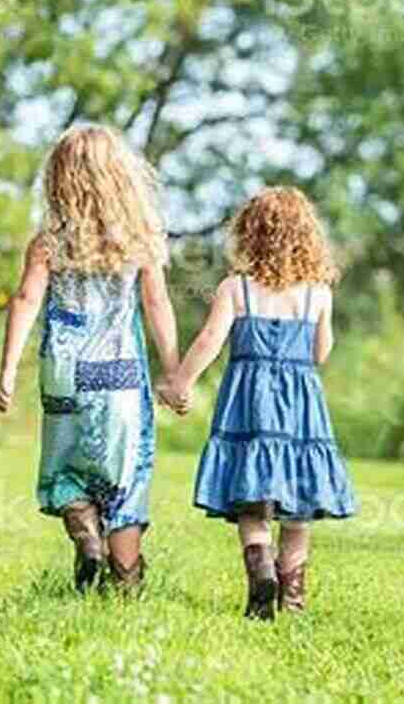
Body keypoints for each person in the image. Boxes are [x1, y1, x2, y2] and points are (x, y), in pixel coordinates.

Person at [0, 124, 180, 595]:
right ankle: (124, 583)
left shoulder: (49, 243)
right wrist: (174, 370)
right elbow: (157, 305)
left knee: (66, 471)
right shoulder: (141, 239)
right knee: (125, 478)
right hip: (118, 373)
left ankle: (86, 537)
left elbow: (24, 300)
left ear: (59, 180)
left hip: (64, 372)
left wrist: (8, 369)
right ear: (121, 177)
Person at [157, 187, 357, 619]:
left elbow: (211, 339)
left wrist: (180, 382)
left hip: (249, 400)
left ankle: (261, 569)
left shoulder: (237, 288)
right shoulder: (317, 293)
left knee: (251, 499)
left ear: (250, 234)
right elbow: (321, 351)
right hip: (300, 405)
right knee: (298, 507)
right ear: (308, 236)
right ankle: (294, 599)